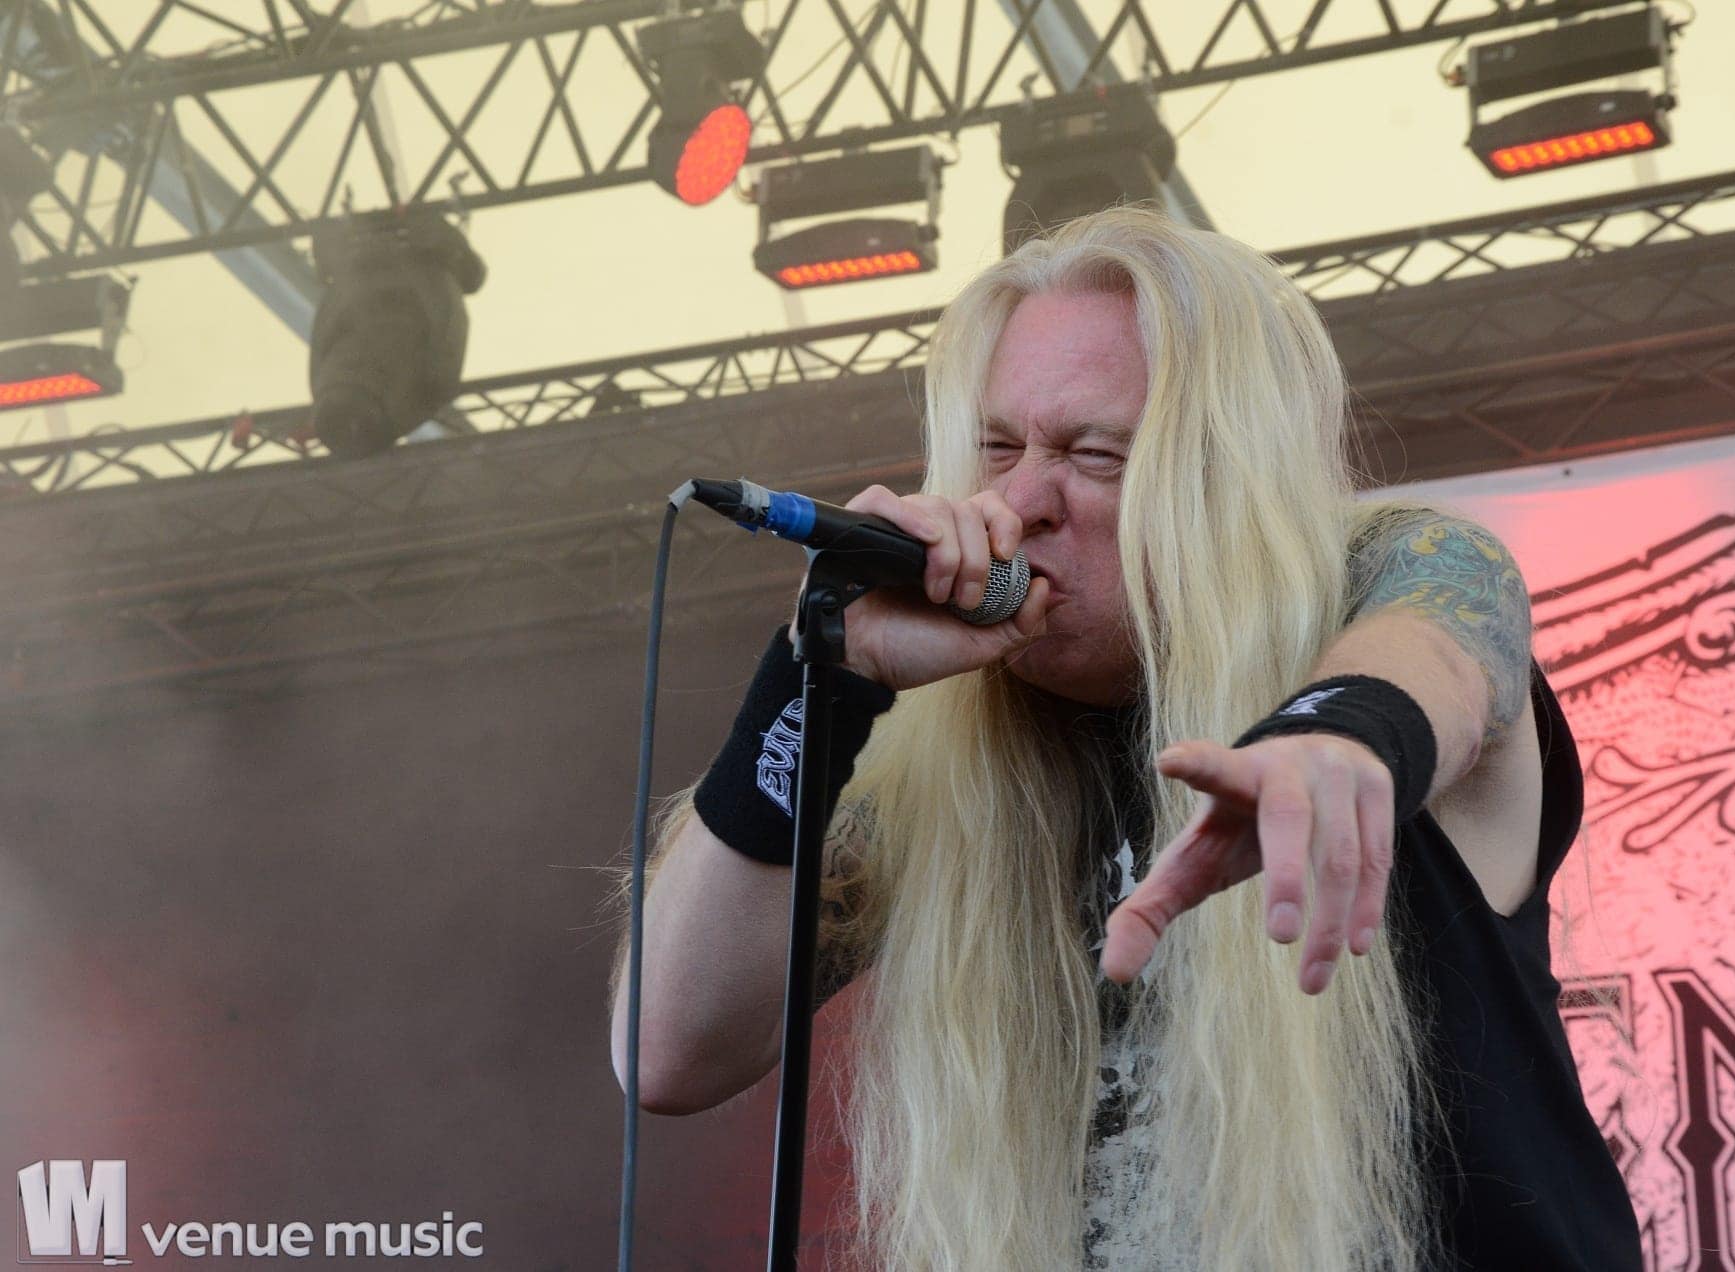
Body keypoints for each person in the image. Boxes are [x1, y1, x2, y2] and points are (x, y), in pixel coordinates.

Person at [610, 208, 1641, 1270]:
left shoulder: (1395, 573)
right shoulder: (938, 757)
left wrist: (1336, 744)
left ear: (1229, 475)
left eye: (1094, 455)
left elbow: (1439, 651)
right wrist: (819, 677)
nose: (1019, 500)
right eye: (997, 447)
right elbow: (666, 1050)